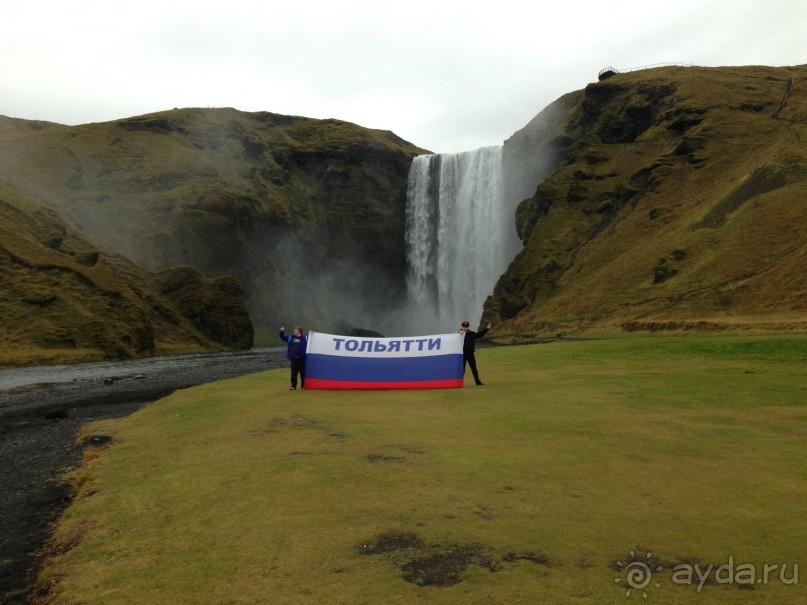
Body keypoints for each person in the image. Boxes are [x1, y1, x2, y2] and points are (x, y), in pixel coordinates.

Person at [459, 319, 492, 385]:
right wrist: (459, 333)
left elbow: (480, 334)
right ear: (462, 326)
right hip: (462, 354)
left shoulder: (472, 334)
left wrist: (487, 329)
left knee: (474, 368)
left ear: (468, 327)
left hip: (470, 354)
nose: (465, 328)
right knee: (462, 369)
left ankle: (477, 381)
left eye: (466, 326)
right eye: (464, 326)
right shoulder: (458, 335)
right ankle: (459, 382)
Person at [279, 326, 307, 390]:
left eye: (295, 330)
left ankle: (303, 385)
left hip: (301, 359)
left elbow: (312, 339)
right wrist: (281, 332)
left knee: (302, 373)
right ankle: (293, 386)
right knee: (293, 374)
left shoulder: (305, 338)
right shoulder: (290, 338)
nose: (294, 331)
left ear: (299, 331)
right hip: (293, 359)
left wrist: (312, 333)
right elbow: (283, 337)